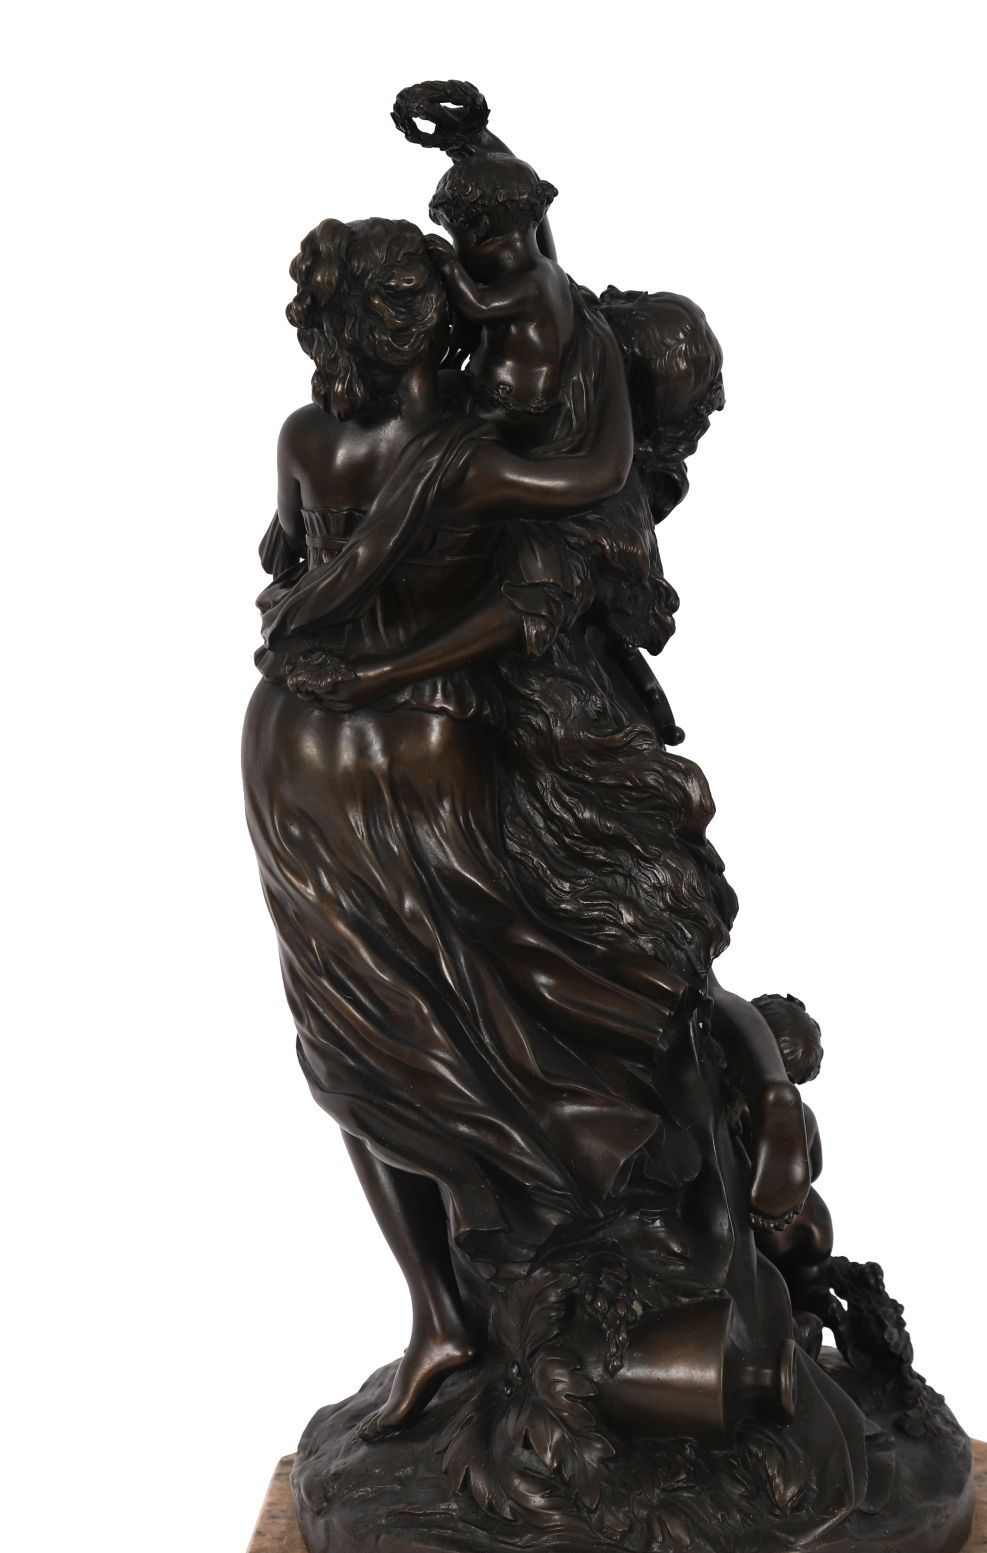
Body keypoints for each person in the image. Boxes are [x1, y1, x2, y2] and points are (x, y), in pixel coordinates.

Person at [245, 215, 738, 1438]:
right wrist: (597, 351)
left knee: (359, 1035)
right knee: (478, 1010)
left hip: (289, 747)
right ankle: (539, 1250)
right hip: (421, 753)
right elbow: (597, 477)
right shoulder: (471, 459)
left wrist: (355, 648)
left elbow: (283, 568)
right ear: (429, 329)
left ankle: (443, 1310)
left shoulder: (304, 439)